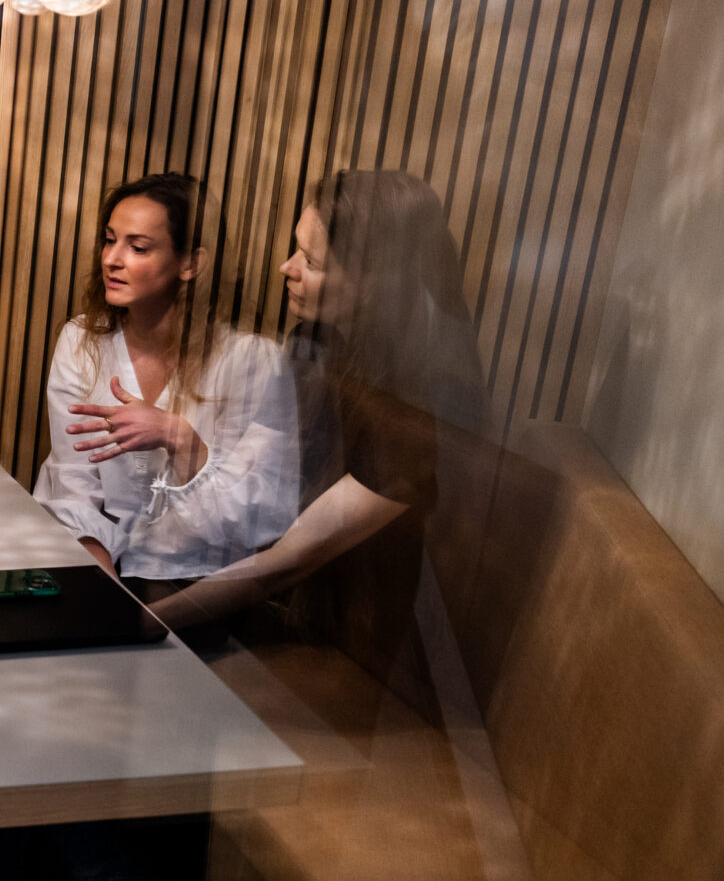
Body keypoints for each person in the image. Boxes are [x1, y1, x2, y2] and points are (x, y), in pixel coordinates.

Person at [150, 169, 485, 652]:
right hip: (280, 589)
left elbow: (291, 560)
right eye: (296, 249)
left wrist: (145, 619)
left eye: (311, 261)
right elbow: (253, 485)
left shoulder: (427, 402)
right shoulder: (315, 340)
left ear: (375, 284)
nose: (286, 267)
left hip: (350, 632)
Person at [33, 172, 298, 600]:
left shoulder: (251, 362)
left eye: (138, 247)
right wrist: (106, 592)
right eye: (109, 240)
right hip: (96, 565)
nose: (111, 259)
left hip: (198, 588)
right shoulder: (82, 342)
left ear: (190, 264)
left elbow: (256, 514)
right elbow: (73, 485)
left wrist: (179, 437)